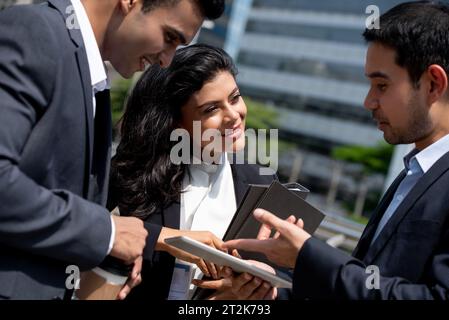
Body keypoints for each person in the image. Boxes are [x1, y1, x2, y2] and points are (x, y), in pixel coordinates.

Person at [0, 0, 224, 300]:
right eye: (170, 37)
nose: (167, 61)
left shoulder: (91, 79)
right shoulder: (36, 31)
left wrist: (106, 257)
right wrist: (106, 234)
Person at [224, 1, 449, 300]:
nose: (369, 102)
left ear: (433, 84)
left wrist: (307, 256)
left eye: (381, 85)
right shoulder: (415, 173)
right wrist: (270, 296)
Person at [108, 44, 278, 300]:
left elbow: (283, 276)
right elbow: (83, 225)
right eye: (211, 109)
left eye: (234, 98)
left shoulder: (263, 182)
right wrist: (168, 239)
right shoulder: (132, 172)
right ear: (176, 121)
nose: (233, 115)